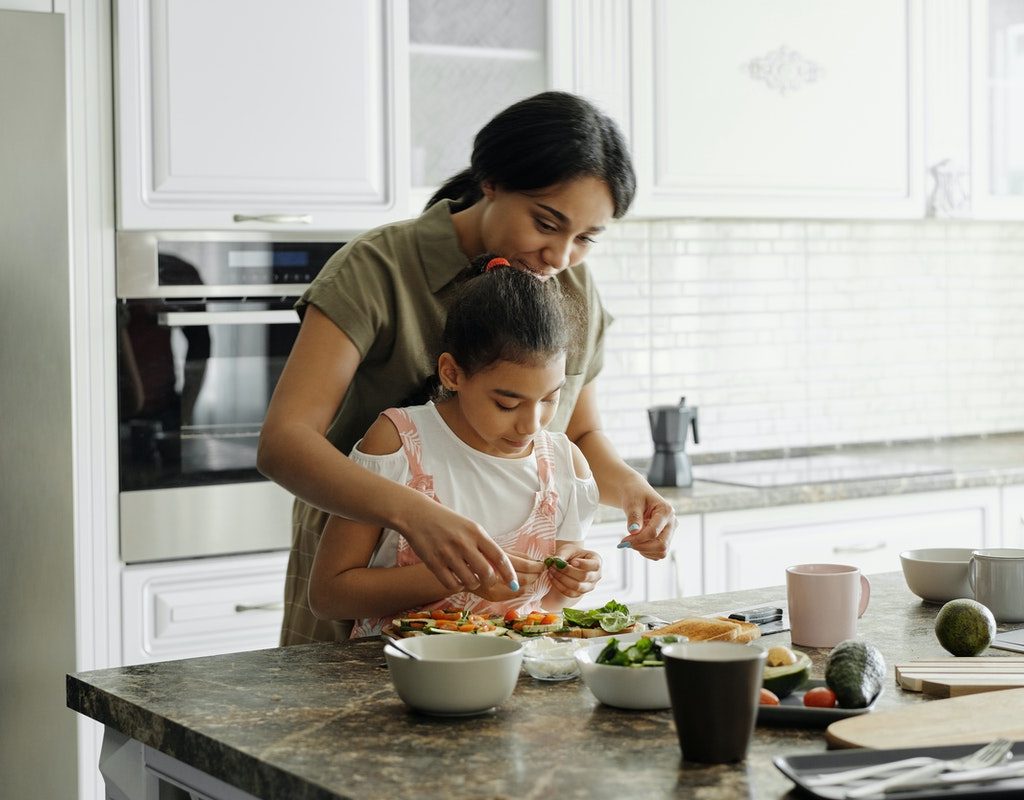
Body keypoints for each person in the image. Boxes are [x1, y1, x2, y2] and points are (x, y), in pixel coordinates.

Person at [258, 90, 678, 645]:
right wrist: (416, 515)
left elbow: (577, 432)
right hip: (363, 576)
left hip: (499, 624)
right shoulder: (377, 268)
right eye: (546, 223)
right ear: (492, 182)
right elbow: (284, 442)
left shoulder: (570, 285)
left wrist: (631, 491)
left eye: (585, 239)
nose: (561, 256)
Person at [308, 259, 601, 635]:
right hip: (394, 678)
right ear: (452, 373)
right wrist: (456, 577)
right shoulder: (398, 443)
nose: (531, 424)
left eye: (550, 398)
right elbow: (329, 595)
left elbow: (549, 606)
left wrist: (572, 582)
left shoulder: (564, 465)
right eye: (507, 404)